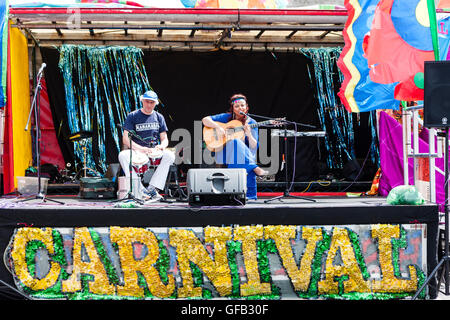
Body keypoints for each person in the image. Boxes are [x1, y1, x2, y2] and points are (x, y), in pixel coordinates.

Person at [202, 93, 268, 200]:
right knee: (236, 143)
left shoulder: (251, 122)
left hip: (242, 155)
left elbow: (253, 146)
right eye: (237, 106)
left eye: (242, 105)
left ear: (247, 108)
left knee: (237, 145)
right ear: (233, 108)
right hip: (223, 152)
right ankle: (254, 170)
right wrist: (218, 127)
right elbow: (205, 119)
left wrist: (249, 134)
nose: (240, 108)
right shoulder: (226, 117)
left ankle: (244, 195)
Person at [118, 90, 175, 202]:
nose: (149, 105)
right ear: (142, 101)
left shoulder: (159, 117)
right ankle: (139, 189)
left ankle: (152, 188)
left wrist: (162, 146)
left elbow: (164, 139)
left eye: (152, 102)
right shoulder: (133, 116)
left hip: (153, 150)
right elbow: (126, 139)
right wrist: (140, 148)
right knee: (122, 156)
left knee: (170, 155)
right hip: (137, 151)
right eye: (147, 102)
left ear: (155, 103)